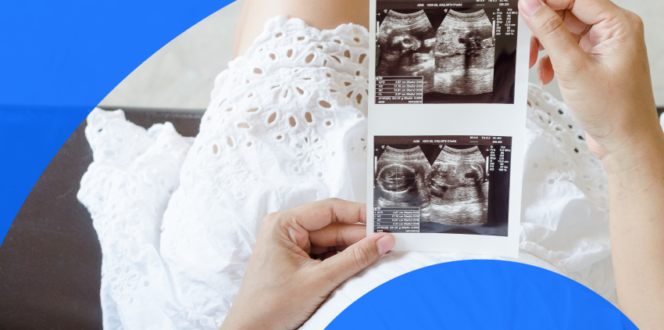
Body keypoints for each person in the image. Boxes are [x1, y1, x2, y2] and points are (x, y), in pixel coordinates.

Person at [219, 0, 664, 329]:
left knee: (295, 19)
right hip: (537, 240)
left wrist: (251, 322)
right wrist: (628, 145)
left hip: (311, 270)